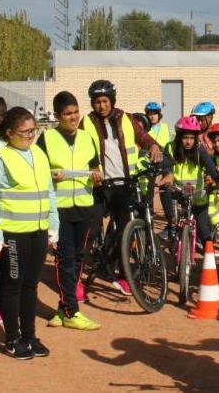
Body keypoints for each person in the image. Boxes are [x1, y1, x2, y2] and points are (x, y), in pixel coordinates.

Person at [0, 107, 59, 359]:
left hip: (37, 231)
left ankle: (29, 336)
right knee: (11, 286)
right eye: (24, 132)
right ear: (9, 133)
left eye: (33, 131)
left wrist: (53, 226)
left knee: (30, 285)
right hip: (12, 233)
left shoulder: (38, 153)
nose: (30, 136)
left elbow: (49, 192)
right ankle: (12, 338)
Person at [81, 80, 163, 296]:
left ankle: (121, 275)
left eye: (105, 101)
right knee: (90, 230)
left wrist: (153, 145)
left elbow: (142, 136)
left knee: (125, 231)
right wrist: (92, 168)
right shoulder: (87, 122)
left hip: (124, 185)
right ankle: (77, 279)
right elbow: (81, 149)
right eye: (97, 102)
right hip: (99, 185)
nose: (101, 106)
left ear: (112, 101)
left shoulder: (125, 118)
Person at [36, 91, 102, 329]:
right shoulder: (47, 138)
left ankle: (64, 308)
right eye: (67, 114)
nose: (73, 117)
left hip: (84, 205)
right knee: (65, 258)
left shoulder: (86, 138)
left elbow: (95, 165)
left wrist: (97, 175)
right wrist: (52, 175)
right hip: (59, 208)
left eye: (75, 112)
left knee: (79, 257)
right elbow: (37, 171)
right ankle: (72, 311)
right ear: (57, 116)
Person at [160, 117, 219, 242]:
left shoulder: (200, 149)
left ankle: (209, 259)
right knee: (163, 189)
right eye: (185, 138)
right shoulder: (171, 147)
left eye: (192, 138)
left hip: (197, 196)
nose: (188, 142)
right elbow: (166, 166)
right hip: (178, 193)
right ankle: (171, 222)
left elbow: (210, 166)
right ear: (179, 137)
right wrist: (168, 174)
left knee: (205, 235)